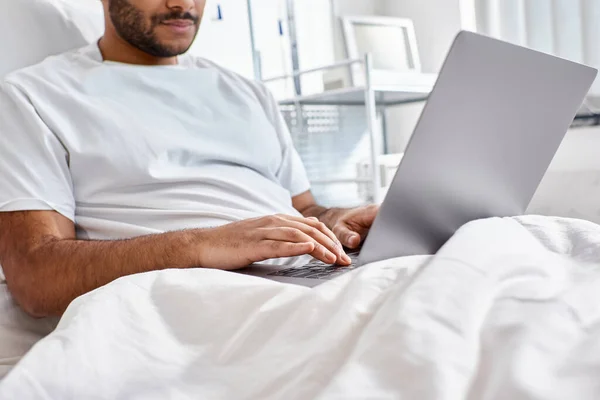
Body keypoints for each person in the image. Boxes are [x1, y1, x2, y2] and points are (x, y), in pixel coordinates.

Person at [0, 0, 378, 318]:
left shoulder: (248, 93)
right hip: (189, 300)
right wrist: (202, 246)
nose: (182, 4)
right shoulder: (33, 95)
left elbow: (305, 208)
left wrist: (335, 222)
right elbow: (36, 275)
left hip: (311, 277)